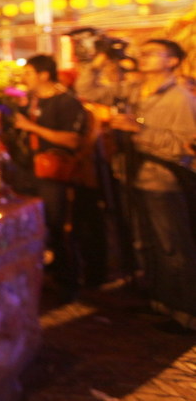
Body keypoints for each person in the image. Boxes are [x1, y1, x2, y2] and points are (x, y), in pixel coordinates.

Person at [83, 39, 196, 331]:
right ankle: (160, 302)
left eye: (152, 53)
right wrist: (97, 63)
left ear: (172, 61)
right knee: (145, 243)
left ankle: (186, 313)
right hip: (131, 177)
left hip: (162, 182)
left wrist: (139, 130)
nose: (143, 57)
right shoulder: (133, 89)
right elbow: (87, 92)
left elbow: (185, 146)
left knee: (172, 246)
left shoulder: (180, 98)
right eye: (142, 52)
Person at [13, 54, 102, 303]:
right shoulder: (28, 101)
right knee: (30, 227)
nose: (24, 78)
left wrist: (33, 128)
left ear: (44, 75)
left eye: (28, 73)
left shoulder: (66, 102)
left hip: (54, 175)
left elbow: (72, 140)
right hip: (27, 171)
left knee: (57, 226)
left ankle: (68, 282)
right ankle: (40, 276)